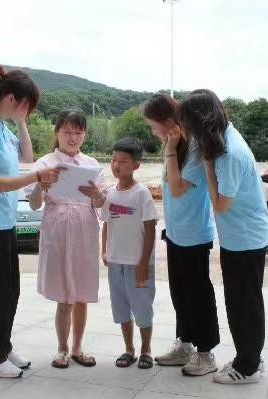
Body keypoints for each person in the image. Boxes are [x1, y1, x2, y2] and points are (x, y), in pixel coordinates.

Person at [0, 64, 63, 378]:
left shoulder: (0, 126)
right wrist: (36, 177)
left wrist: (20, 122)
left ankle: (1, 346)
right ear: (10, 97)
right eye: (26, 106)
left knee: (9, 289)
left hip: (2, 222)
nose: (28, 112)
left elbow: (27, 157)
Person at [178, 89, 268, 384]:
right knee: (245, 301)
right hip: (241, 237)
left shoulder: (228, 153)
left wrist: (206, 164)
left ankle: (247, 367)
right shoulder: (227, 138)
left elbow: (220, 204)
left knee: (243, 304)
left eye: (188, 126)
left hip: (244, 239)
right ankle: (251, 355)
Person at [143, 93, 220, 376]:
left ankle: (206, 352)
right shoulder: (174, 144)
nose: (153, 131)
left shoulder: (195, 148)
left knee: (198, 294)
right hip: (175, 232)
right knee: (180, 293)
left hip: (194, 235)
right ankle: (185, 344)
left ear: (168, 122)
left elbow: (176, 189)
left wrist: (171, 148)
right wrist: (170, 145)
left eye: (154, 125)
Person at [26, 107, 106, 369]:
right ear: (57, 132)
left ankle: (77, 347)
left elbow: (103, 205)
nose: (72, 137)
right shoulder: (45, 163)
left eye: (78, 132)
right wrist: (41, 184)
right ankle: (61, 348)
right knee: (64, 294)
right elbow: (35, 204)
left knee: (82, 292)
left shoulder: (92, 165)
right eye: (67, 131)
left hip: (85, 226)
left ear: (84, 135)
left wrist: (97, 194)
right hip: (58, 226)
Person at [99, 137, 158, 369]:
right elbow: (106, 224)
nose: (116, 165)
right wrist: (104, 251)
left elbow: (150, 227)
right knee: (121, 308)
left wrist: (144, 261)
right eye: (113, 160)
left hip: (137, 264)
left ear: (136, 165)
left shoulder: (141, 193)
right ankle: (129, 349)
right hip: (116, 263)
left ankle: (146, 350)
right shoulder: (110, 194)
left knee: (142, 308)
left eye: (123, 161)